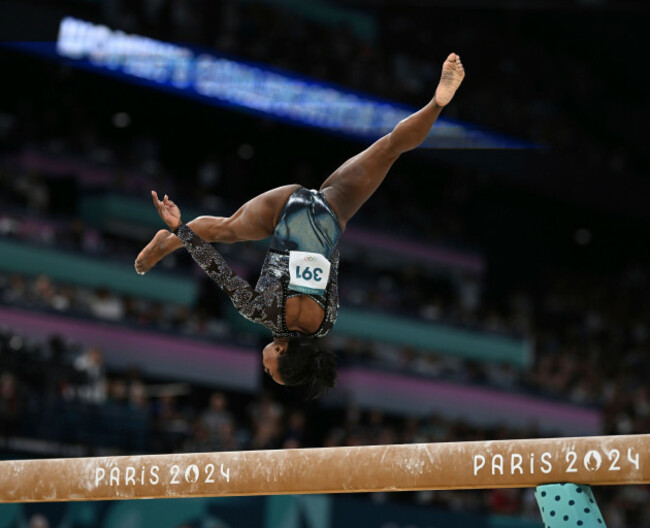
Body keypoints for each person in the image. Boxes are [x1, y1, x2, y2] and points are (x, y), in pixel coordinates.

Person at [135, 53, 465, 398]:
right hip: (286, 210)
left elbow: (329, 261)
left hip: (330, 213)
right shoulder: (261, 313)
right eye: (269, 369)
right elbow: (218, 268)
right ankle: (170, 239)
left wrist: (331, 222)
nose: (262, 364)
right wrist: (180, 227)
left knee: (389, 149)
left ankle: (437, 102)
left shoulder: (326, 321)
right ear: (279, 351)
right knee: (225, 230)